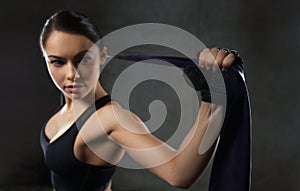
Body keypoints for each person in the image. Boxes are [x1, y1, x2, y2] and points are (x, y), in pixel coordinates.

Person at [39, 10, 249, 191]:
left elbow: (179, 173)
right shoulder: (69, 103)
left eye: (84, 59)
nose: (72, 73)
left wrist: (212, 99)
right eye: (57, 62)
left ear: (102, 56)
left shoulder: (110, 119)